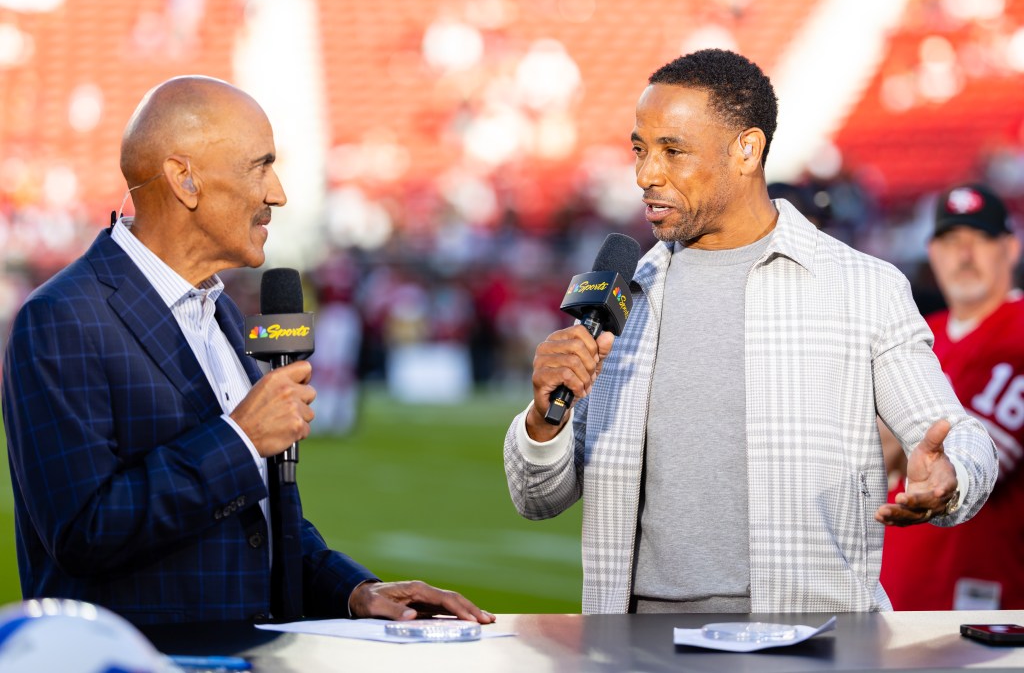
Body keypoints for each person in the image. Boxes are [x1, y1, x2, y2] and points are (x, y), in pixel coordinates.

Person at [502, 49, 998, 614]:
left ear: (747, 149)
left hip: (810, 639)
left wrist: (952, 476)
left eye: (672, 151)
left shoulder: (863, 287)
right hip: (633, 639)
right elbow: (537, 498)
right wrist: (545, 420)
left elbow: (956, 432)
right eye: (639, 150)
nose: (645, 175)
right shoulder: (624, 296)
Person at [1, 76, 494, 627]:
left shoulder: (219, 311)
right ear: (184, 178)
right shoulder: (64, 317)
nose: (277, 193)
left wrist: (355, 591)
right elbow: (82, 531)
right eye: (260, 166)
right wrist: (238, 439)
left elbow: (255, 521)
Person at [881, 183, 1024, 610]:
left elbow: (971, 459)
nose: (964, 255)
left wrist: (885, 432)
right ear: (932, 253)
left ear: (1010, 249)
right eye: (950, 241)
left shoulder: (1018, 332)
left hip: (984, 607)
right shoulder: (919, 331)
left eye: (979, 240)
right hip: (898, 599)